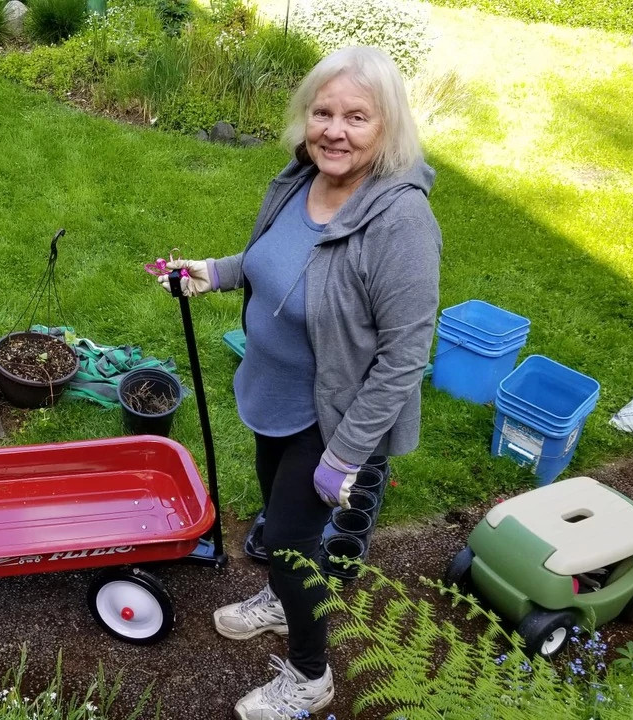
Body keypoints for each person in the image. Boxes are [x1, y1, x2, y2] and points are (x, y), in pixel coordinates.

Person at [157, 46, 442, 719]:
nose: (334, 130)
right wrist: (218, 272)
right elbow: (273, 261)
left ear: (387, 128)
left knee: (291, 548)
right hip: (273, 394)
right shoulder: (299, 179)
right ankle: (283, 600)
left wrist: (345, 455)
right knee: (282, 527)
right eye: (323, 112)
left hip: (334, 416)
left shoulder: (401, 223)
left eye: (357, 117)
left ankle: (311, 678)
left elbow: (405, 357)